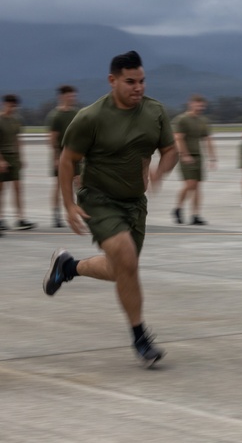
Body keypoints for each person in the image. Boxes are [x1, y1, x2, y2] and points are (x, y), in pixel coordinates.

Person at [42, 51, 179, 367]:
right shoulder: (91, 117)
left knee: (121, 269)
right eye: (130, 82)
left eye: (142, 81)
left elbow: (170, 149)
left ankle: (68, 267)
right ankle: (140, 338)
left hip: (135, 204)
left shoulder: (155, 112)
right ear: (112, 80)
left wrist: (162, 169)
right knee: (127, 258)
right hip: (99, 200)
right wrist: (68, 204)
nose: (138, 88)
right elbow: (67, 160)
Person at [172, 94, 217, 225]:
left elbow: (207, 140)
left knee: (198, 187)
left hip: (198, 156)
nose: (200, 107)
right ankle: (178, 208)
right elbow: (178, 138)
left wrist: (212, 158)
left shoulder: (203, 121)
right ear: (190, 104)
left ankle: (195, 215)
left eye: (202, 105)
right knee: (190, 184)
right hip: (186, 156)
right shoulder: (182, 120)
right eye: (198, 104)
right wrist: (184, 154)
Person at [0, 94, 36, 232]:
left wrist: (21, 157)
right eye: (10, 105)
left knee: (18, 188)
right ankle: (1, 218)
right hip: (3, 155)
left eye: (14, 106)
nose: (12, 108)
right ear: (4, 104)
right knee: (1, 190)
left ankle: (20, 218)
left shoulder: (16, 120)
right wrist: (1, 160)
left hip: (14, 156)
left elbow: (17, 139)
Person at [46, 85, 80, 228]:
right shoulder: (55, 116)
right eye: (69, 96)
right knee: (59, 185)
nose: (72, 98)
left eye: (73, 95)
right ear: (62, 97)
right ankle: (56, 214)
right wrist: (56, 157)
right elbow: (52, 138)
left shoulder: (76, 113)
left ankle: (81, 211)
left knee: (79, 183)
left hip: (76, 154)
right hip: (61, 155)